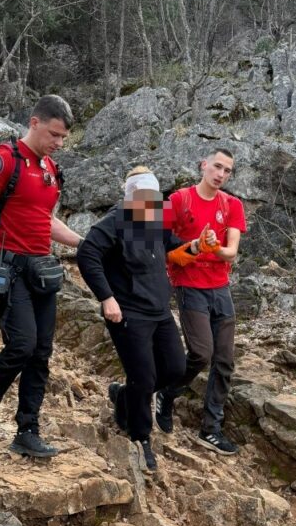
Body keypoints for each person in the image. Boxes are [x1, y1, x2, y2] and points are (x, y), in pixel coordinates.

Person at [0, 94, 82, 457]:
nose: (57, 142)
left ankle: (28, 430)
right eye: (54, 134)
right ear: (35, 122)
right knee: (22, 345)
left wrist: (81, 243)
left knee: (41, 352)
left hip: (42, 270)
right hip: (7, 269)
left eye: (63, 138)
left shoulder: (50, 170)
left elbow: (45, 219)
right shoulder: (3, 161)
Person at [76, 167, 210, 472]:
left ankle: (125, 396)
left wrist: (198, 245)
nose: (151, 202)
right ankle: (140, 436)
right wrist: (106, 297)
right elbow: (87, 253)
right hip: (127, 312)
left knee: (175, 367)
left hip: (159, 309)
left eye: (155, 197)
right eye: (145, 196)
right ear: (132, 196)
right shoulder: (115, 221)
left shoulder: (154, 221)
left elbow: (173, 246)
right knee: (144, 377)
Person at [156, 148, 246, 455]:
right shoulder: (179, 200)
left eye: (228, 170)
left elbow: (232, 251)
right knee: (201, 353)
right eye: (217, 167)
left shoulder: (232, 204)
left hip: (220, 286)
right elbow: (158, 243)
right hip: (188, 284)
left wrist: (215, 248)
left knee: (225, 361)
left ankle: (211, 429)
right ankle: (166, 394)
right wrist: (193, 248)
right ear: (203, 165)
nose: (221, 174)